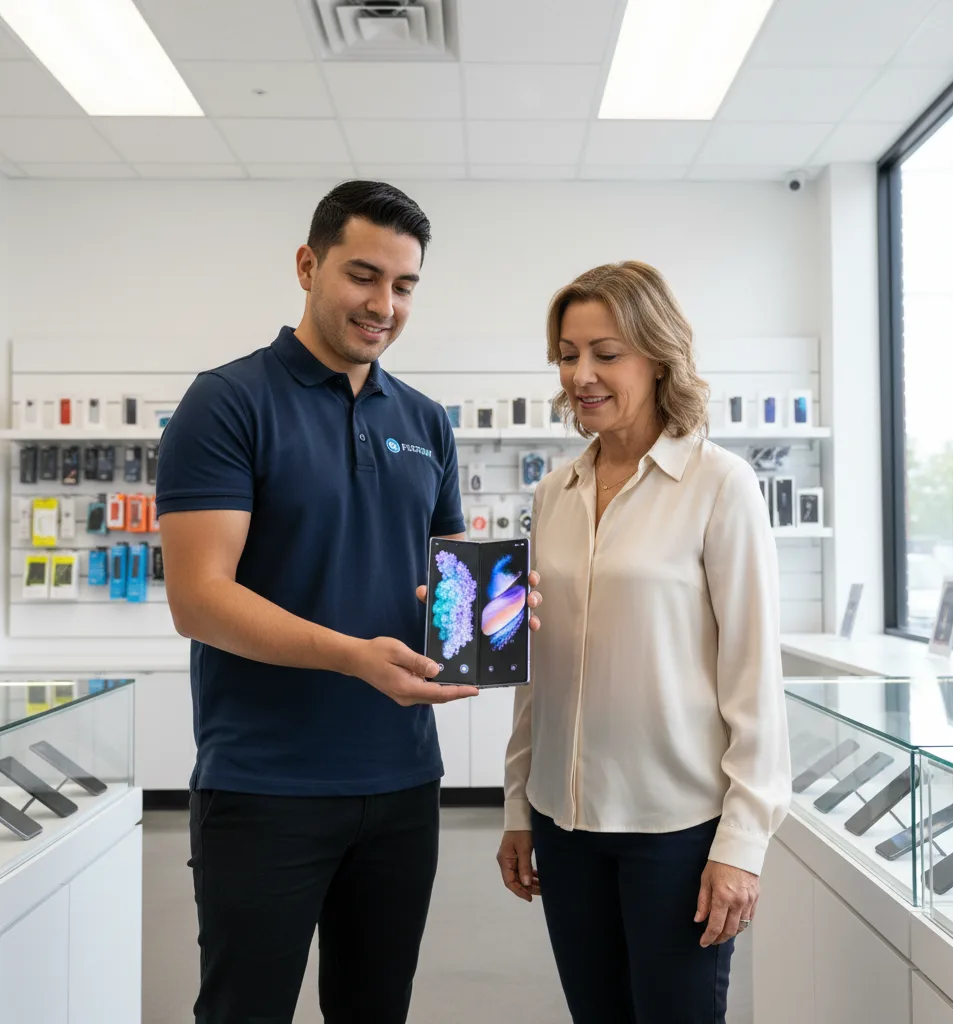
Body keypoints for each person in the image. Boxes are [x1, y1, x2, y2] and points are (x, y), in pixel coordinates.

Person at [156, 180, 542, 1024]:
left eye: (404, 285)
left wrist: (495, 610)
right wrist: (352, 658)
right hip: (264, 784)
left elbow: (445, 578)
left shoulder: (425, 421)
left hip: (403, 782)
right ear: (308, 265)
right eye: (363, 276)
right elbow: (199, 598)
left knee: (375, 1009)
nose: (383, 305)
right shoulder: (227, 401)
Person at [497, 261, 790, 1024]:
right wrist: (517, 806)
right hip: (564, 824)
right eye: (568, 355)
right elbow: (537, 670)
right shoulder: (552, 494)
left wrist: (742, 843)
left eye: (606, 353)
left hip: (676, 831)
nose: (581, 375)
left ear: (659, 358)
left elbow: (754, 677)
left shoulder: (720, 485)